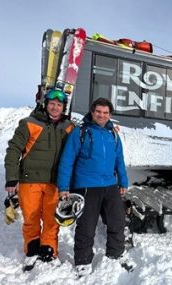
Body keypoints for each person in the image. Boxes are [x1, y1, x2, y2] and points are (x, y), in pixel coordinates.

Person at [57, 97, 134, 277]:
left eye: (105, 112)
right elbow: (67, 160)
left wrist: (123, 181)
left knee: (117, 221)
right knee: (86, 226)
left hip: (110, 185)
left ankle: (116, 254)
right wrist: (63, 186)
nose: (101, 115)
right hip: (86, 186)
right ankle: (83, 262)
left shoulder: (113, 134)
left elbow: (119, 160)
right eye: (98, 112)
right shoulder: (80, 132)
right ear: (92, 112)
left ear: (110, 114)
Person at [4, 89, 74, 271]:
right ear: (45, 104)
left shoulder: (69, 127)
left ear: (63, 107)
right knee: (31, 217)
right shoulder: (29, 123)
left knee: (51, 219)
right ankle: (32, 250)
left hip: (55, 182)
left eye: (59, 104)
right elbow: (13, 151)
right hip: (29, 181)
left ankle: (49, 249)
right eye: (52, 103)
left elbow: (75, 155)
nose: (55, 107)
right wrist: (12, 179)